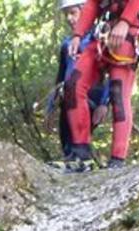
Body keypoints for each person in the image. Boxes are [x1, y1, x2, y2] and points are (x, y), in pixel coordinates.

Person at [62, 0, 139, 171]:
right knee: (73, 85)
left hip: (133, 27)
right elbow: (93, 3)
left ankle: (117, 160)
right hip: (106, 30)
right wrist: (78, 35)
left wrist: (125, 22)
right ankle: (80, 155)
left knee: (118, 94)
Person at [51, 0, 111, 160]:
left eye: (73, 13)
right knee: (65, 134)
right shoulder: (66, 45)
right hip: (68, 98)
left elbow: (110, 75)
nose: (69, 18)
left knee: (78, 133)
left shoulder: (98, 41)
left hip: (91, 97)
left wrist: (104, 104)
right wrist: (51, 106)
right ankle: (73, 160)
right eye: (66, 15)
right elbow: (61, 75)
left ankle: (82, 159)